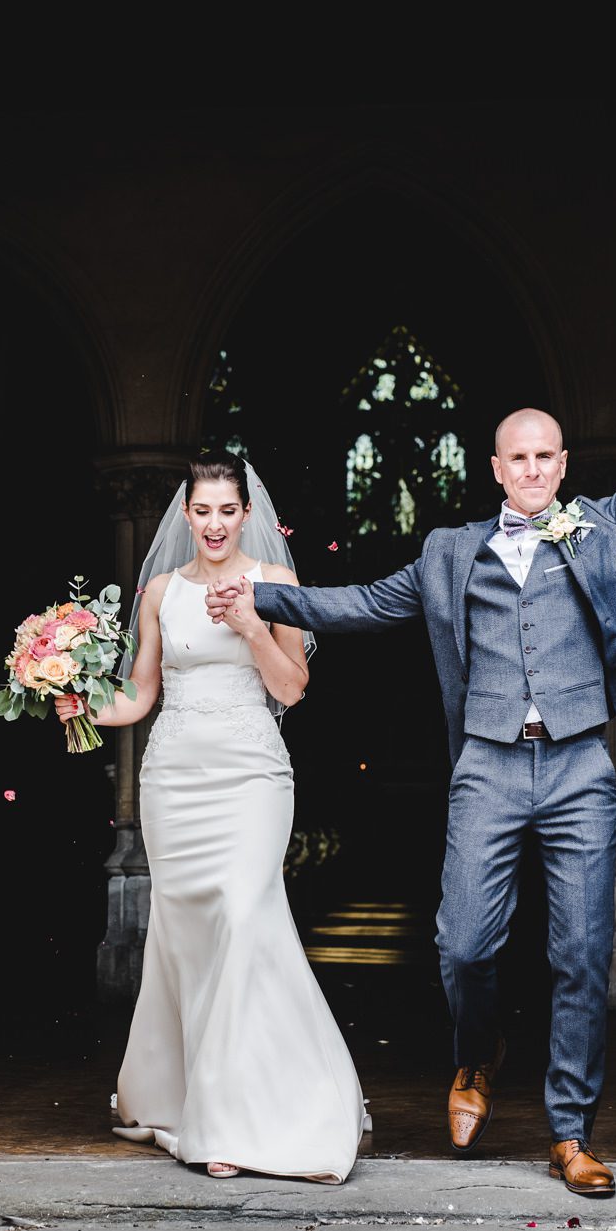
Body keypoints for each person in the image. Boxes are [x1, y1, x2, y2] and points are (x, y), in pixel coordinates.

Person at [208, 258, 616, 1194]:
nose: (534, 471)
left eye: (548, 457)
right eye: (518, 458)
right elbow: (363, 603)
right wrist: (263, 592)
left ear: (562, 466)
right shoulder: (450, 552)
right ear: (494, 468)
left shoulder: (594, 528)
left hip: (579, 763)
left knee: (580, 952)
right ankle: (477, 1053)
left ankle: (571, 1131)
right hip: (488, 767)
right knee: (462, 945)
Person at [58, 453, 367, 1182]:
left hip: (253, 776)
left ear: (247, 513)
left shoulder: (278, 583)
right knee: (189, 933)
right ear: (187, 514)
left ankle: (244, 1118)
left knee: (243, 912)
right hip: (174, 779)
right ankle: (188, 1096)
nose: (216, 523)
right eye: (203, 510)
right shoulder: (160, 591)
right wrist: (76, 700)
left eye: (228, 509)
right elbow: (139, 696)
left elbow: (292, 689)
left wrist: (253, 625)